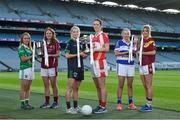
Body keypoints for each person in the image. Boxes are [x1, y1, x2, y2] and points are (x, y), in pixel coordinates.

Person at [64, 26, 87, 114]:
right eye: (73, 32)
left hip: (80, 68)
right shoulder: (69, 42)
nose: (75, 33)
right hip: (72, 68)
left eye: (77, 32)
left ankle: (76, 106)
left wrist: (84, 55)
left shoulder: (81, 42)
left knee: (76, 89)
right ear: (71, 33)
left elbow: (83, 55)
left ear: (79, 33)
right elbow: (67, 55)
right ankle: (68, 108)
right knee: (69, 88)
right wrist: (78, 54)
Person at [114, 28, 137, 111]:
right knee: (121, 85)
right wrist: (127, 52)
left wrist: (134, 53)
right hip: (121, 65)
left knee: (130, 85)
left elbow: (135, 56)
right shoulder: (119, 42)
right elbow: (116, 53)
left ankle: (130, 103)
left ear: (130, 35)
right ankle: (119, 103)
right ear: (122, 35)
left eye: (128, 33)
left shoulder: (132, 43)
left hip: (131, 65)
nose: (127, 35)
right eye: (125, 33)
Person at [91, 19, 109, 114]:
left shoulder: (103, 35)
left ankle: (104, 106)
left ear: (101, 26)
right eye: (94, 24)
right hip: (93, 63)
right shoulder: (93, 36)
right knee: (97, 86)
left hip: (100, 62)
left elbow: (107, 48)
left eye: (97, 24)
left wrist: (95, 50)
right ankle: (100, 104)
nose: (96, 26)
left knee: (102, 86)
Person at [40, 27, 60, 109]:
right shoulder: (42, 43)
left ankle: (56, 102)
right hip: (43, 66)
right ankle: (47, 102)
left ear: (52, 34)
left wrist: (49, 55)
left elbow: (58, 55)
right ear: (45, 34)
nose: (48, 35)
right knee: (46, 85)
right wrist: (39, 55)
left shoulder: (56, 42)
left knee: (53, 85)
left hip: (52, 66)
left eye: (50, 33)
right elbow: (39, 53)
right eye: (47, 33)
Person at [138, 25, 156, 112]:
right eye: (143, 30)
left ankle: (149, 105)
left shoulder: (151, 40)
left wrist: (142, 53)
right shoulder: (142, 41)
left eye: (146, 31)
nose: (144, 32)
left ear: (149, 32)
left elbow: (153, 52)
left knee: (148, 85)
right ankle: (147, 103)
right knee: (145, 85)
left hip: (148, 65)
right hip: (141, 65)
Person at [18, 32, 34, 109]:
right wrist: (32, 55)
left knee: (28, 87)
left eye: (28, 38)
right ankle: (22, 104)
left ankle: (27, 103)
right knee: (23, 88)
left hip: (31, 68)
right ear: (22, 39)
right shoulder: (21, 47)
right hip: (25, 68)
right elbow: (23, 59)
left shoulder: (29, 47)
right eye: (25, 38)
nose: (26, 40)